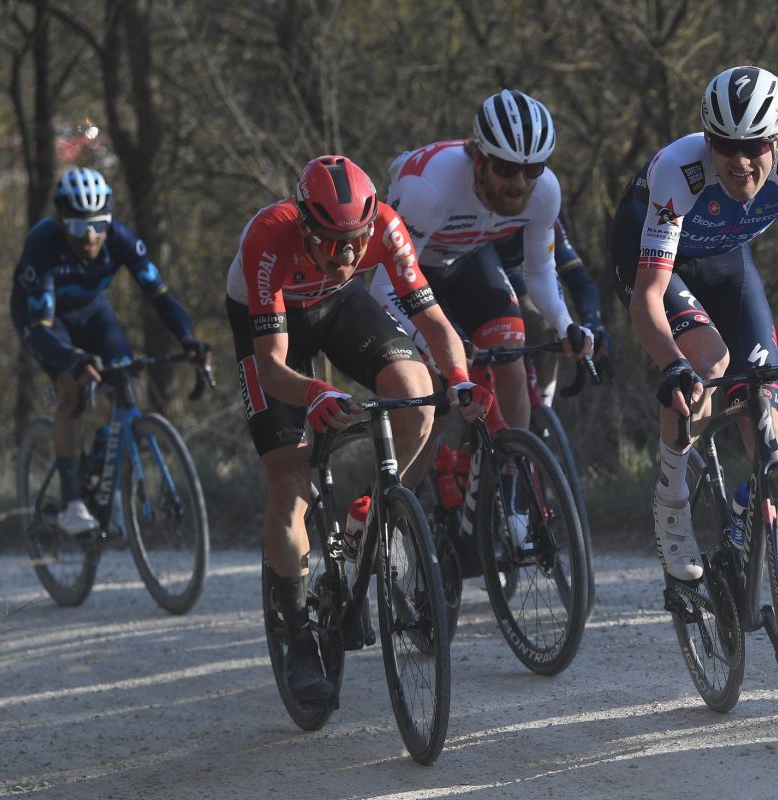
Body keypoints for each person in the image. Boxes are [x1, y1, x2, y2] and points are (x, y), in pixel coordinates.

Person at [608, 66, 778, 673]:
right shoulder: (679, 170)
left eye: (754, 146)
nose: (740, 162)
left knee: (771, 429)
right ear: (708, 138)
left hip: (726, 260)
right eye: (725, 145)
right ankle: (671, 500)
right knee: (707, 363)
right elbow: (648, 297)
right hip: (655, 261)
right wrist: (672, 364)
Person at [225, 155, 488, 703]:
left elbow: (433, 320)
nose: (347, 254)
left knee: (417, 395)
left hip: (338, 306)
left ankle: (372, 516)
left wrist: (461, 380)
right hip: (272, 329)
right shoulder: (270, 238)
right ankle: (300, 638)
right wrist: (314, 392)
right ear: (304, 226)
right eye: (332, 242)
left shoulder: (386, 227)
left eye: (356, 241)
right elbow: (271, 366)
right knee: (290, 481)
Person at [369, 89, 593, 434]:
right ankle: (428, 463)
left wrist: (565, 324)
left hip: (466, 260)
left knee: (510, 354)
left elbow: (540, 271)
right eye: (506, 169)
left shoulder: (545, 190)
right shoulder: (428, 190)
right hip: (411, 274)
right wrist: (438, 346)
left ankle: (516, 463)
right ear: (478, 160)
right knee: (436, 391)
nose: (520, 183)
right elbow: (383, 287)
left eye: (532, 169)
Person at [11, 166, 210, 536]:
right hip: (43, 319)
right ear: (61, 223)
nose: (89, 237)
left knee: (127, 378)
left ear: (109, 221)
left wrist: (188, 339)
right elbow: (41, 328)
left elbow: (161, 297)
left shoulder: (121, 239)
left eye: (97, 225)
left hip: (91, 311)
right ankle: (72, 503)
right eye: (77, 227)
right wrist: (72, 359)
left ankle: (109, 481)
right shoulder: (43, 245)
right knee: (72, 389)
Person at [494, 216, 612, 405]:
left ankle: (543, 406)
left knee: (543, 326)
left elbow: (579, 281)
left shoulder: (543, 214)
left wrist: (592, 322)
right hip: (463, 270)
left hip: (510, 274)